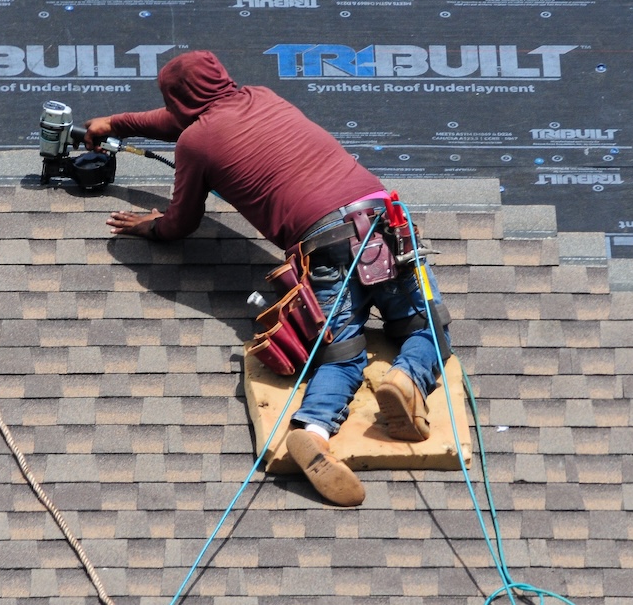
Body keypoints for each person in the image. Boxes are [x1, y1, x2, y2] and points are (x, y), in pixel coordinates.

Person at [84, 50, 451, 507]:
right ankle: (407, 379)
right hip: (383, 220)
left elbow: (182, 221)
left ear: (180, 101)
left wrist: (151, 227)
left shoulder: (196, 143)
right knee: (428, 327)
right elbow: (190, 120)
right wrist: (116, 124)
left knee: (340, 356)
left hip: (324, 243)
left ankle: (313, 430)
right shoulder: (264, 97)